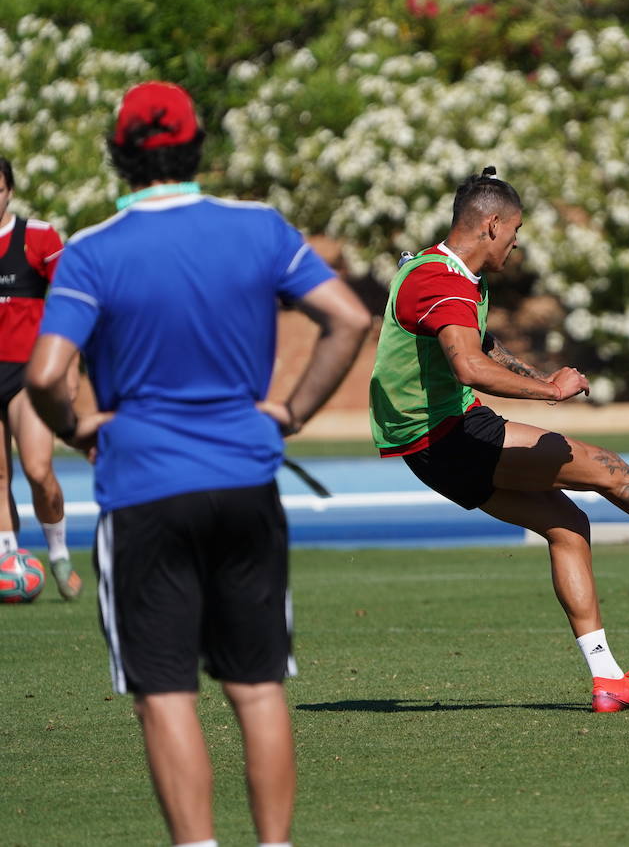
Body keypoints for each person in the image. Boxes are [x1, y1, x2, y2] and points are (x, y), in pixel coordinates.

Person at [26, 81, 371, 847]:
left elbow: (46, 373)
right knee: (256, 687)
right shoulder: (259, 229)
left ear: (119, 154)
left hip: (145, 488)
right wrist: (289, 412)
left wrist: (81, 425)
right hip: (245, 483)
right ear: (196, 146)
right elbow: (346, 320)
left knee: (165, 693)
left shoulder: (91, 249)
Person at [368, 167, 629, 714]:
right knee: (605, 467)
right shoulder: (442, 281)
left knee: (568, 526)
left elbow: (483, 344)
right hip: (446, 433)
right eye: (516, 230)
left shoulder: (442, 274)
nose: (518, 242)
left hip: (429, 444)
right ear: (493, 224)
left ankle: (606, 678)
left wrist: (535, 375)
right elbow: (471, 367)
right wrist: (548, 389)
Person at [0, 157, 81, 599]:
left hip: (26, 376)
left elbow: (72, 299)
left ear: (9, 191)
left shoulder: (39, 236)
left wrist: (70, 366)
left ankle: (58, 553)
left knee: (37, 468)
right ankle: (8, 559)